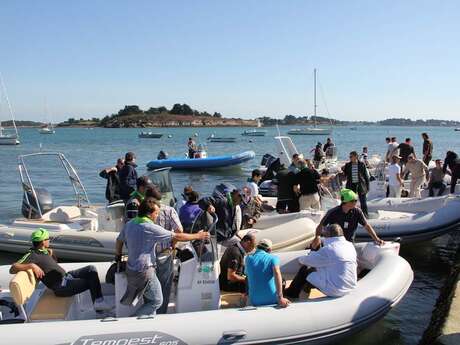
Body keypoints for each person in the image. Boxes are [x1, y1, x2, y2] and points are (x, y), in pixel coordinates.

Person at [115, 198, 209, 316]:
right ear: (150, 214)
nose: (157, 216)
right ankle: (131, 321)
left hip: (132, 269)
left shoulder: (130, 224)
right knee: (157, 301)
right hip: (145, 272)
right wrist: (198, 235)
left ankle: (150, 323)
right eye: (156, 213)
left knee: (149, 300)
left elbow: (119, 241)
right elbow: (177, 236)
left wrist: (118, 256)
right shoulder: (149, 228)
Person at [10, 228, 110, 311]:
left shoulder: (44, 251)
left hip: (66, 277)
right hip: (61, 287)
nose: (49, 240)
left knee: (91, 269)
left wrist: (51, 254)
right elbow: (13, 268)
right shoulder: (31, 254)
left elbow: (52, 264)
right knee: (90, 281)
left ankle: (99, 301)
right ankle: (100, 308)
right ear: (42, 242)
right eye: (48, 239)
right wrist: (31, 265)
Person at [284, 224, 357, 298]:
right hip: (350, 286)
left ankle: (291, 294)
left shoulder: (329, 249)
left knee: (306, 270)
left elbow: (305, 260)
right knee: (312, 277)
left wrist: (313, 249)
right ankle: (302, 293)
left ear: (328, 235)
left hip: (336, 290)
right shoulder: (350, 246)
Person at [147, 188, 184, 314]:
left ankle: (149, 312)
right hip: (164, 253)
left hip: (147, 256)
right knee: (164, 286)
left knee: (149, 287)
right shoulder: (169, 210)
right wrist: (172, 245)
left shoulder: (143, 211)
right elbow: (179, 230)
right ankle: (161, 314)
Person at [310, 189, 384, 250]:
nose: (355, 202)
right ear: (345, 202)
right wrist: (317, 237)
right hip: (334, 243)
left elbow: (367, 226)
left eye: (356, 200)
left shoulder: (357, 211)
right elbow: (320, 226)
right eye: (353, 201)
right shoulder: (333, 212)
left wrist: (376, 239)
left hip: (349, 242)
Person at [245, 239, 290, 307]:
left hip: (254, 300)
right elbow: (277, 274)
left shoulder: (248, 258)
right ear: (269, 250)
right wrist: (280, 298)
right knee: (283, 281)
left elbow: (248, 276)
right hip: (272, 299)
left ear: (257, 247)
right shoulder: (273, 258)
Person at [341, 151, 370, 217]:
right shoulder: (348, 165)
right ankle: (351, 215)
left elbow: (366, 177)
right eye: (349, 156)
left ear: (356, 156)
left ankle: (365, 215)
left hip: (361, 185)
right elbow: (345, 175)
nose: (350, 158)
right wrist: (343, 170)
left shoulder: (361, 164)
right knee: (351, 201)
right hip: (351, 185)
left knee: (363, 201)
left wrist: (368, 187)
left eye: (351, 156)